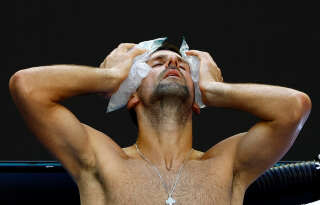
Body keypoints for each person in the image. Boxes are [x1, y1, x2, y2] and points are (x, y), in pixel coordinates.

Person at [9, 42, 312, 205]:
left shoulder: (228, 163)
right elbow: (27, 87)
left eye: (183, 66)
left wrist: (216, 90)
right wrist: (109, 78)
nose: (173, 64)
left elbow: (294, 107)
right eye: (156, 63)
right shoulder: (99, 158)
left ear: (197, 99)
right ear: (131, 96)